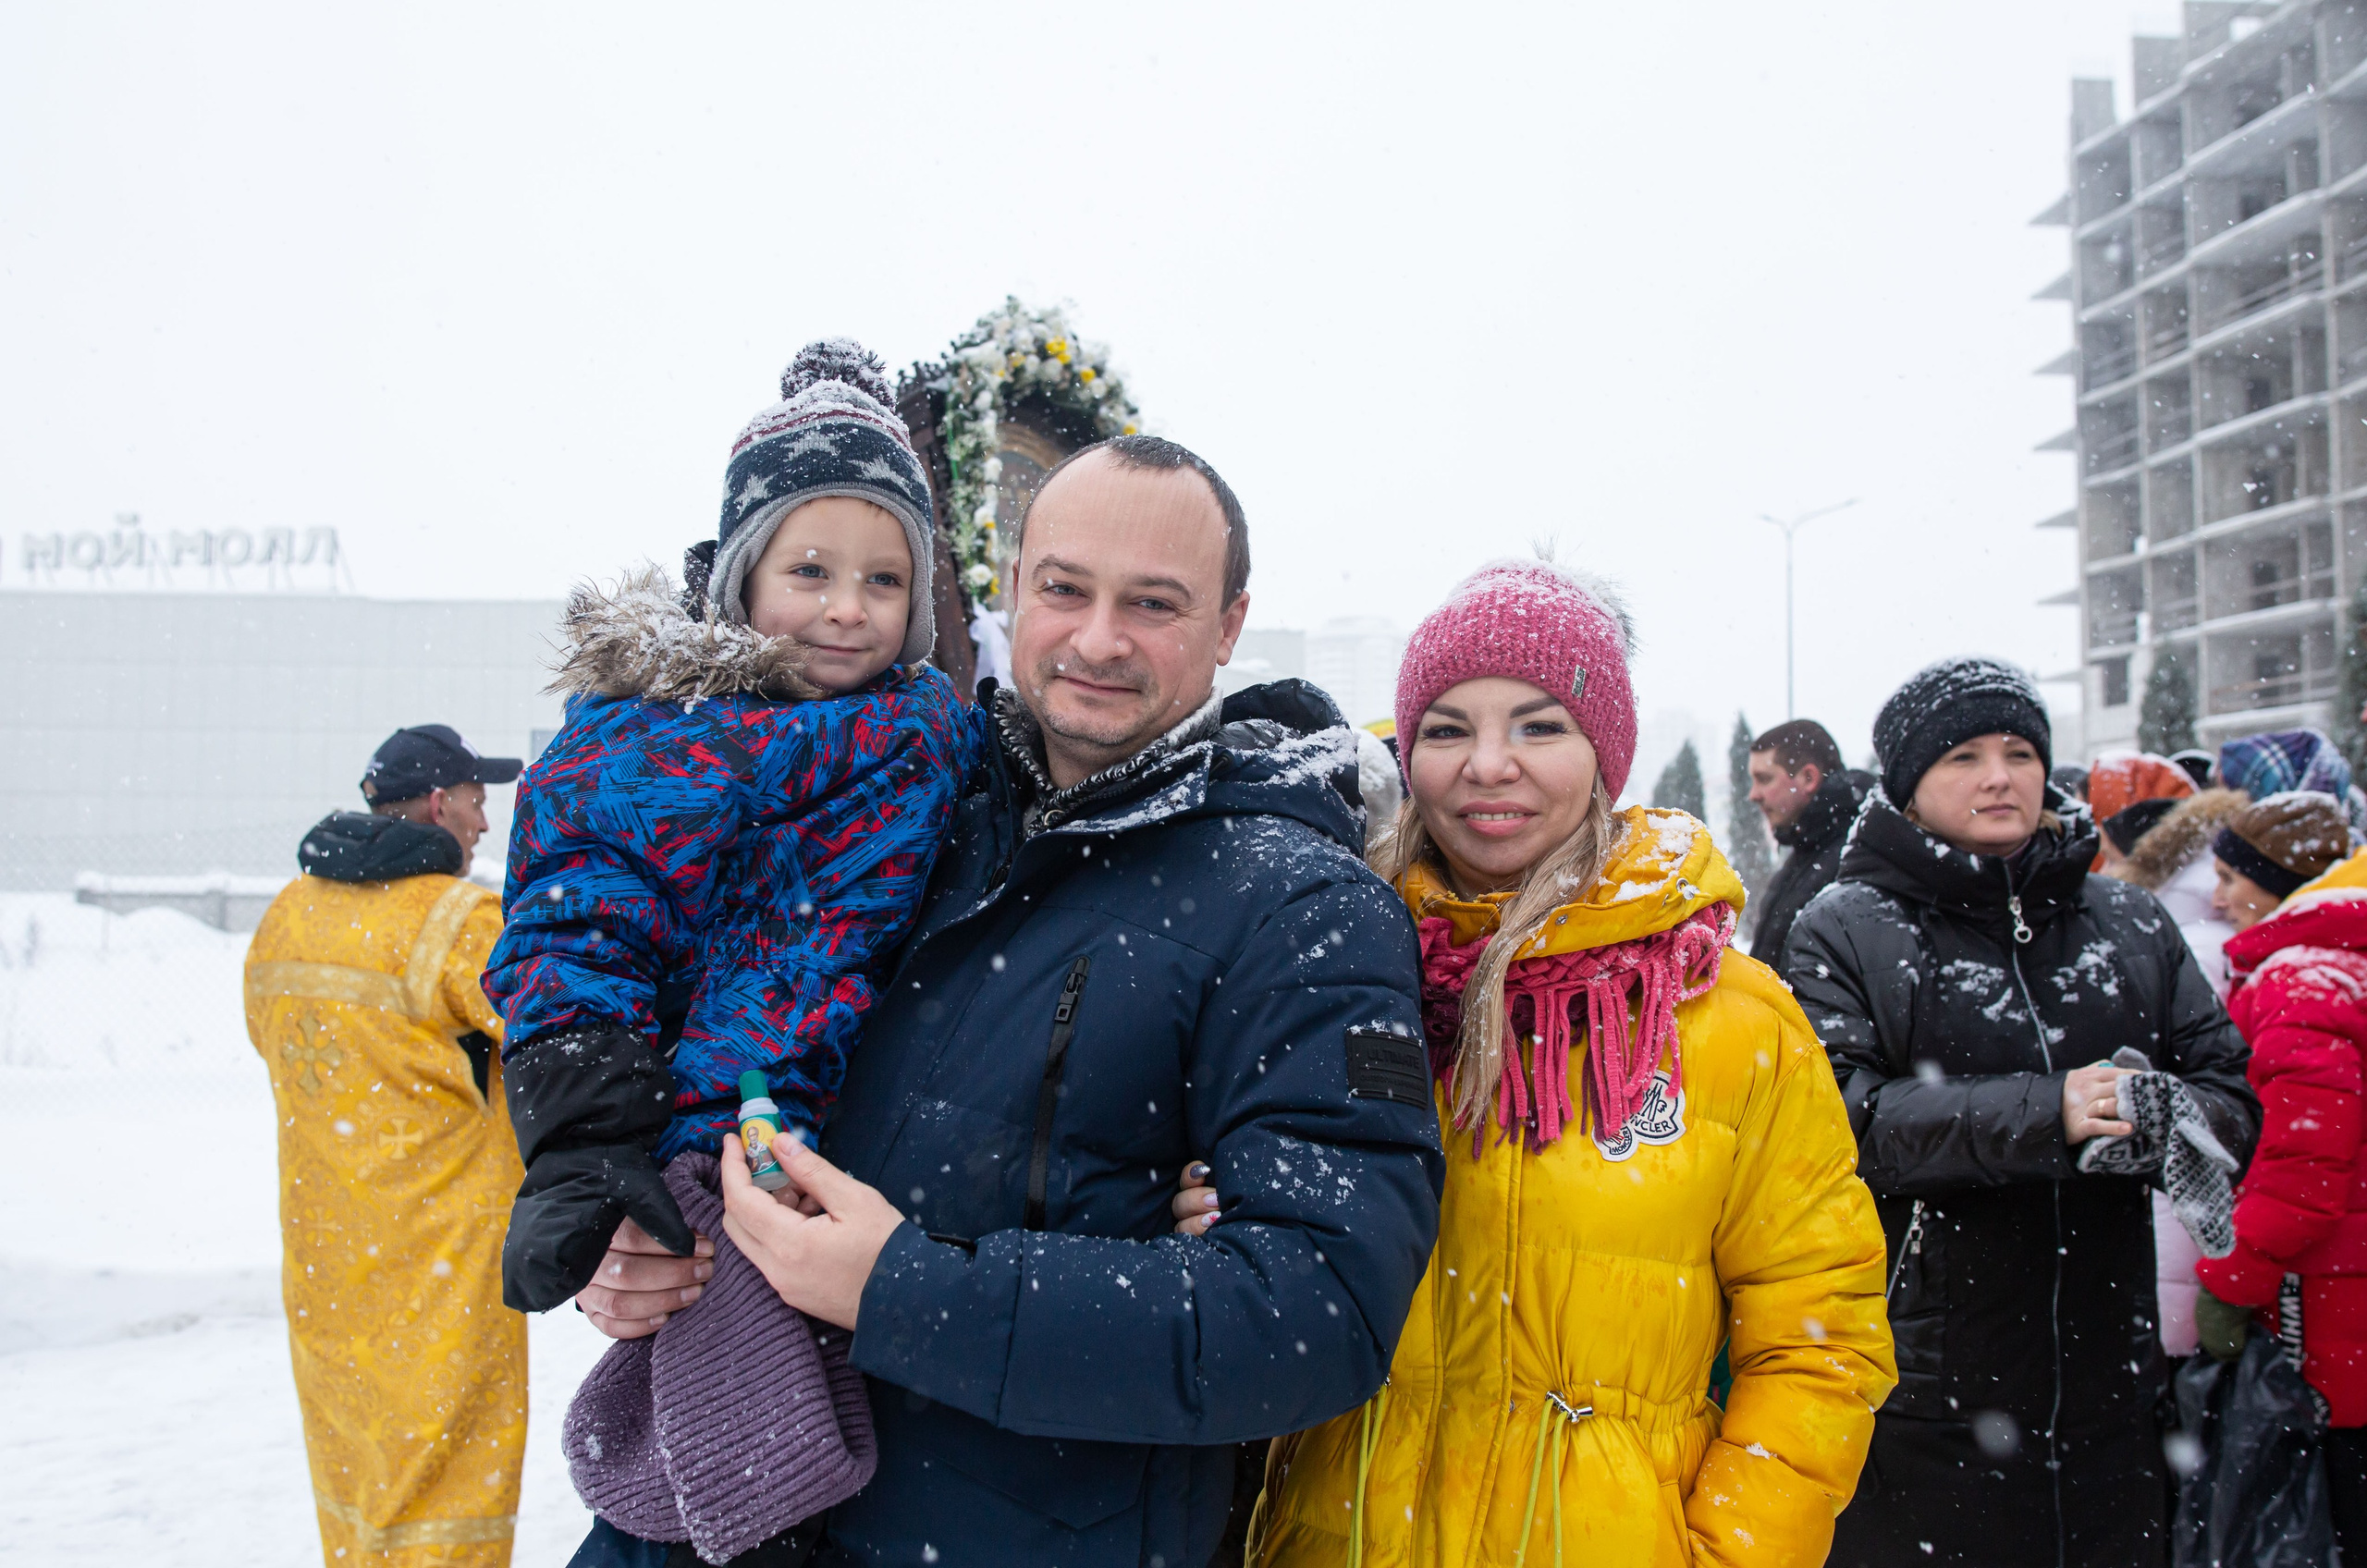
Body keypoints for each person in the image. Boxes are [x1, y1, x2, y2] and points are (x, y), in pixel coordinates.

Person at [576, 435, 1446, 1567]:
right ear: (1013, 585)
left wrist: (908, 1293)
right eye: (1065, 589)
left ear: (1230, 626)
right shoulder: (883, 795)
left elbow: (1317, 1310)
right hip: (704, 1518)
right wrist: (622, 1222)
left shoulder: (1298, 906)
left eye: (1154, 603)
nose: (1097, 638)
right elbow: (652, 1010)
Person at [1214, 560, 1895, 1565]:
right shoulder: (1330, 974)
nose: (1489, 765)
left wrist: (1727, 1552)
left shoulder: (1731, 1015)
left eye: (1539, 725)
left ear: (1605, 752)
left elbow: (1818, 1340)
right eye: (1447, 729)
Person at [479, 341, 974, 1557]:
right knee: (717, 1486)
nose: (847, 606)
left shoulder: (942, 748)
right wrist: (587, 1146)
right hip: (702, 1164)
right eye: (809, 569)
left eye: (883, 578)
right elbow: (576, 929)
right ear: (742, 577)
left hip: (866, 1187)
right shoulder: (645, 744)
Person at [1784, 656, 2258, 1568]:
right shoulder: (1845, 925)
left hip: (2111, 1384)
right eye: (1962, 755)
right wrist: (2052, 1112)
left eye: (2017, 751)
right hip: (1922, 1388)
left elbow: (2231, 1098)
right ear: (1910, 784)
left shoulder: (2129, 922)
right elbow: (1839, 1122)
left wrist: (2163, 1114)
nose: (1998, 775)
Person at [244, 724, 527, 1568]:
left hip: (327, 1245)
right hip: (443, 1250)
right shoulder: (459, 919)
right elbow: (556, 1033)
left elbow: (268, 1033)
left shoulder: (290, 911)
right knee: (453, 1465)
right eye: (479, 803)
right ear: (441, 804)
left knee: (356, 1456)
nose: (484, 824)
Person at [2189, 791, 2367, 1557]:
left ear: (2282, 879)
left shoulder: (2300, 982)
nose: (2219, 896)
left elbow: (2304, 1163)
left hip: (2326, 1309)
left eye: (2232, 876)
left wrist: (2233, 1276)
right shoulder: (2338, 966)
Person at [1743, 717, 1870, 966]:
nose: (1753, 795)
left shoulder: (1856, 856)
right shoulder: (1810, 850)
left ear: (1808, 778)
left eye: (1764, 779)